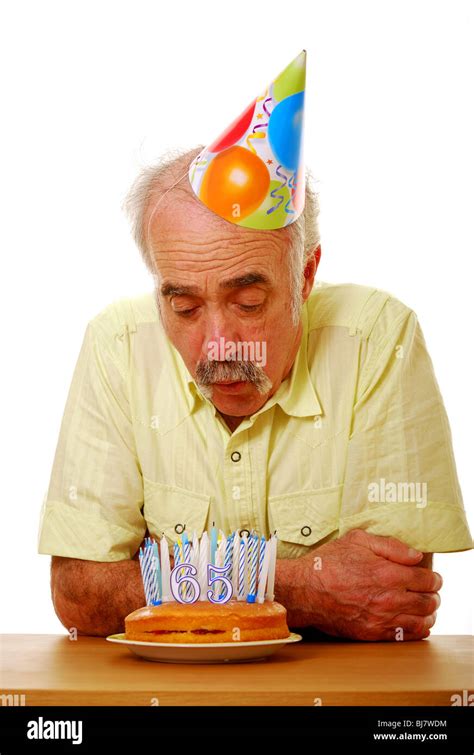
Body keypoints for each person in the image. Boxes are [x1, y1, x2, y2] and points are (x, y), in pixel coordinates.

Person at [38, 52, 472, 640]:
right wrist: (306, 583)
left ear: (306, 276)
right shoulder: (117, 346)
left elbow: (390, 600)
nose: (219, 345)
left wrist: (164, 583)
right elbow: (80, 595)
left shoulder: (379, 338)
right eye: (184, 306)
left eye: (248, 303)